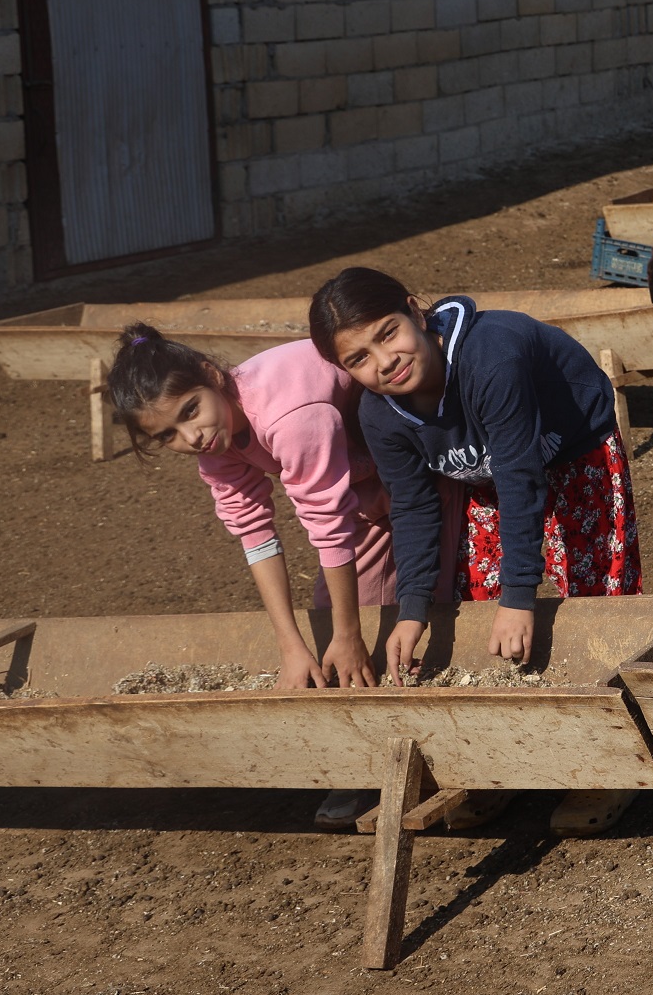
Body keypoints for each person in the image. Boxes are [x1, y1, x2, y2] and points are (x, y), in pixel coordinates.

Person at [309, 267, 644, 836]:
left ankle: (607, 765)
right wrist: (412, 609)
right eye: (358, 359)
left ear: (417, 312)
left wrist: (522, 596)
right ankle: (504, 767)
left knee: (592, 598)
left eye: (388, 333)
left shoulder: (492, 356)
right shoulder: (379, 413)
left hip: (573, 452)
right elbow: (413, 508)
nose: (383, 361)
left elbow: (521, 475)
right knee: (479, 605)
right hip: (487, 473)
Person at [106, 324, 428, 830]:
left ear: (213, 378)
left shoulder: (286, 413)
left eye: (191, 410)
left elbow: (326, 521)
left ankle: (414, 760)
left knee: (404, 611)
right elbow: (254, 532)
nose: (190, 437)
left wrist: (348, 635)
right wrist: (290, 644)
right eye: (166, 434)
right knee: (332, 619)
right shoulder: (215, 445)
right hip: (365, 485)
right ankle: (366, 751)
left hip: (423, 465)